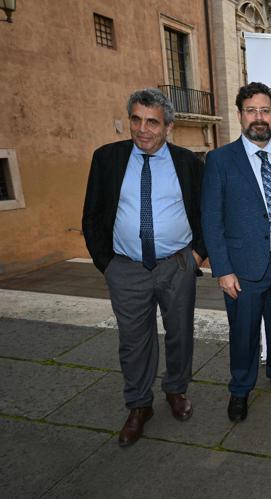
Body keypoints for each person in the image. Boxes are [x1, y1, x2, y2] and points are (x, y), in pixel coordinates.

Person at [82, 88, 206, 447]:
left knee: (180, 333)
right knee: (134, 342)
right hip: (126, 268)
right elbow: (92, 215)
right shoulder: (107, 158)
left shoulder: (187, 163)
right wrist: (108, 265)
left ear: (168, 125)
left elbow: (205, 213)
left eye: (152, 121)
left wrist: (197, 256)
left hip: (176, 265)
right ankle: (139, 405)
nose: (142, 129)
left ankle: (176, 390)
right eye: (136, 119)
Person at [201, 82, 271, 422]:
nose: (259, 117)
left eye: (265, 110)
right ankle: (240, 389)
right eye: (251, 111)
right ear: (240, 116)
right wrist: (222, 269)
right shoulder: (220, 160)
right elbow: (211, 218)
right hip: (243, 267)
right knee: (244, 332)